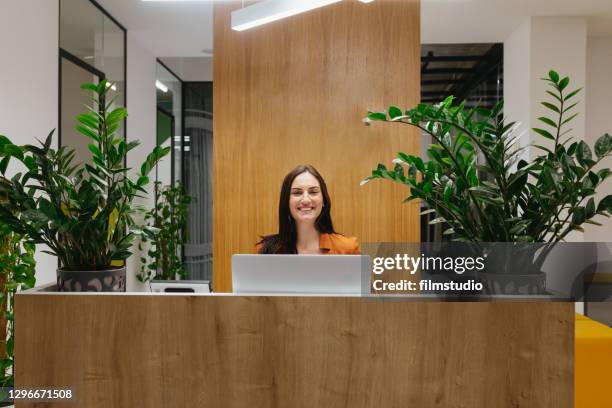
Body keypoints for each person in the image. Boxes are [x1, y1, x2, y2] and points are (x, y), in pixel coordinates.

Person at [256, 164, 361, 254]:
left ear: (323, 200)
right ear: (286, 201)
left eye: (313, 192)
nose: (306, 200)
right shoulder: (266, 250)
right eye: (297, 193)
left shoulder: (348, 249)